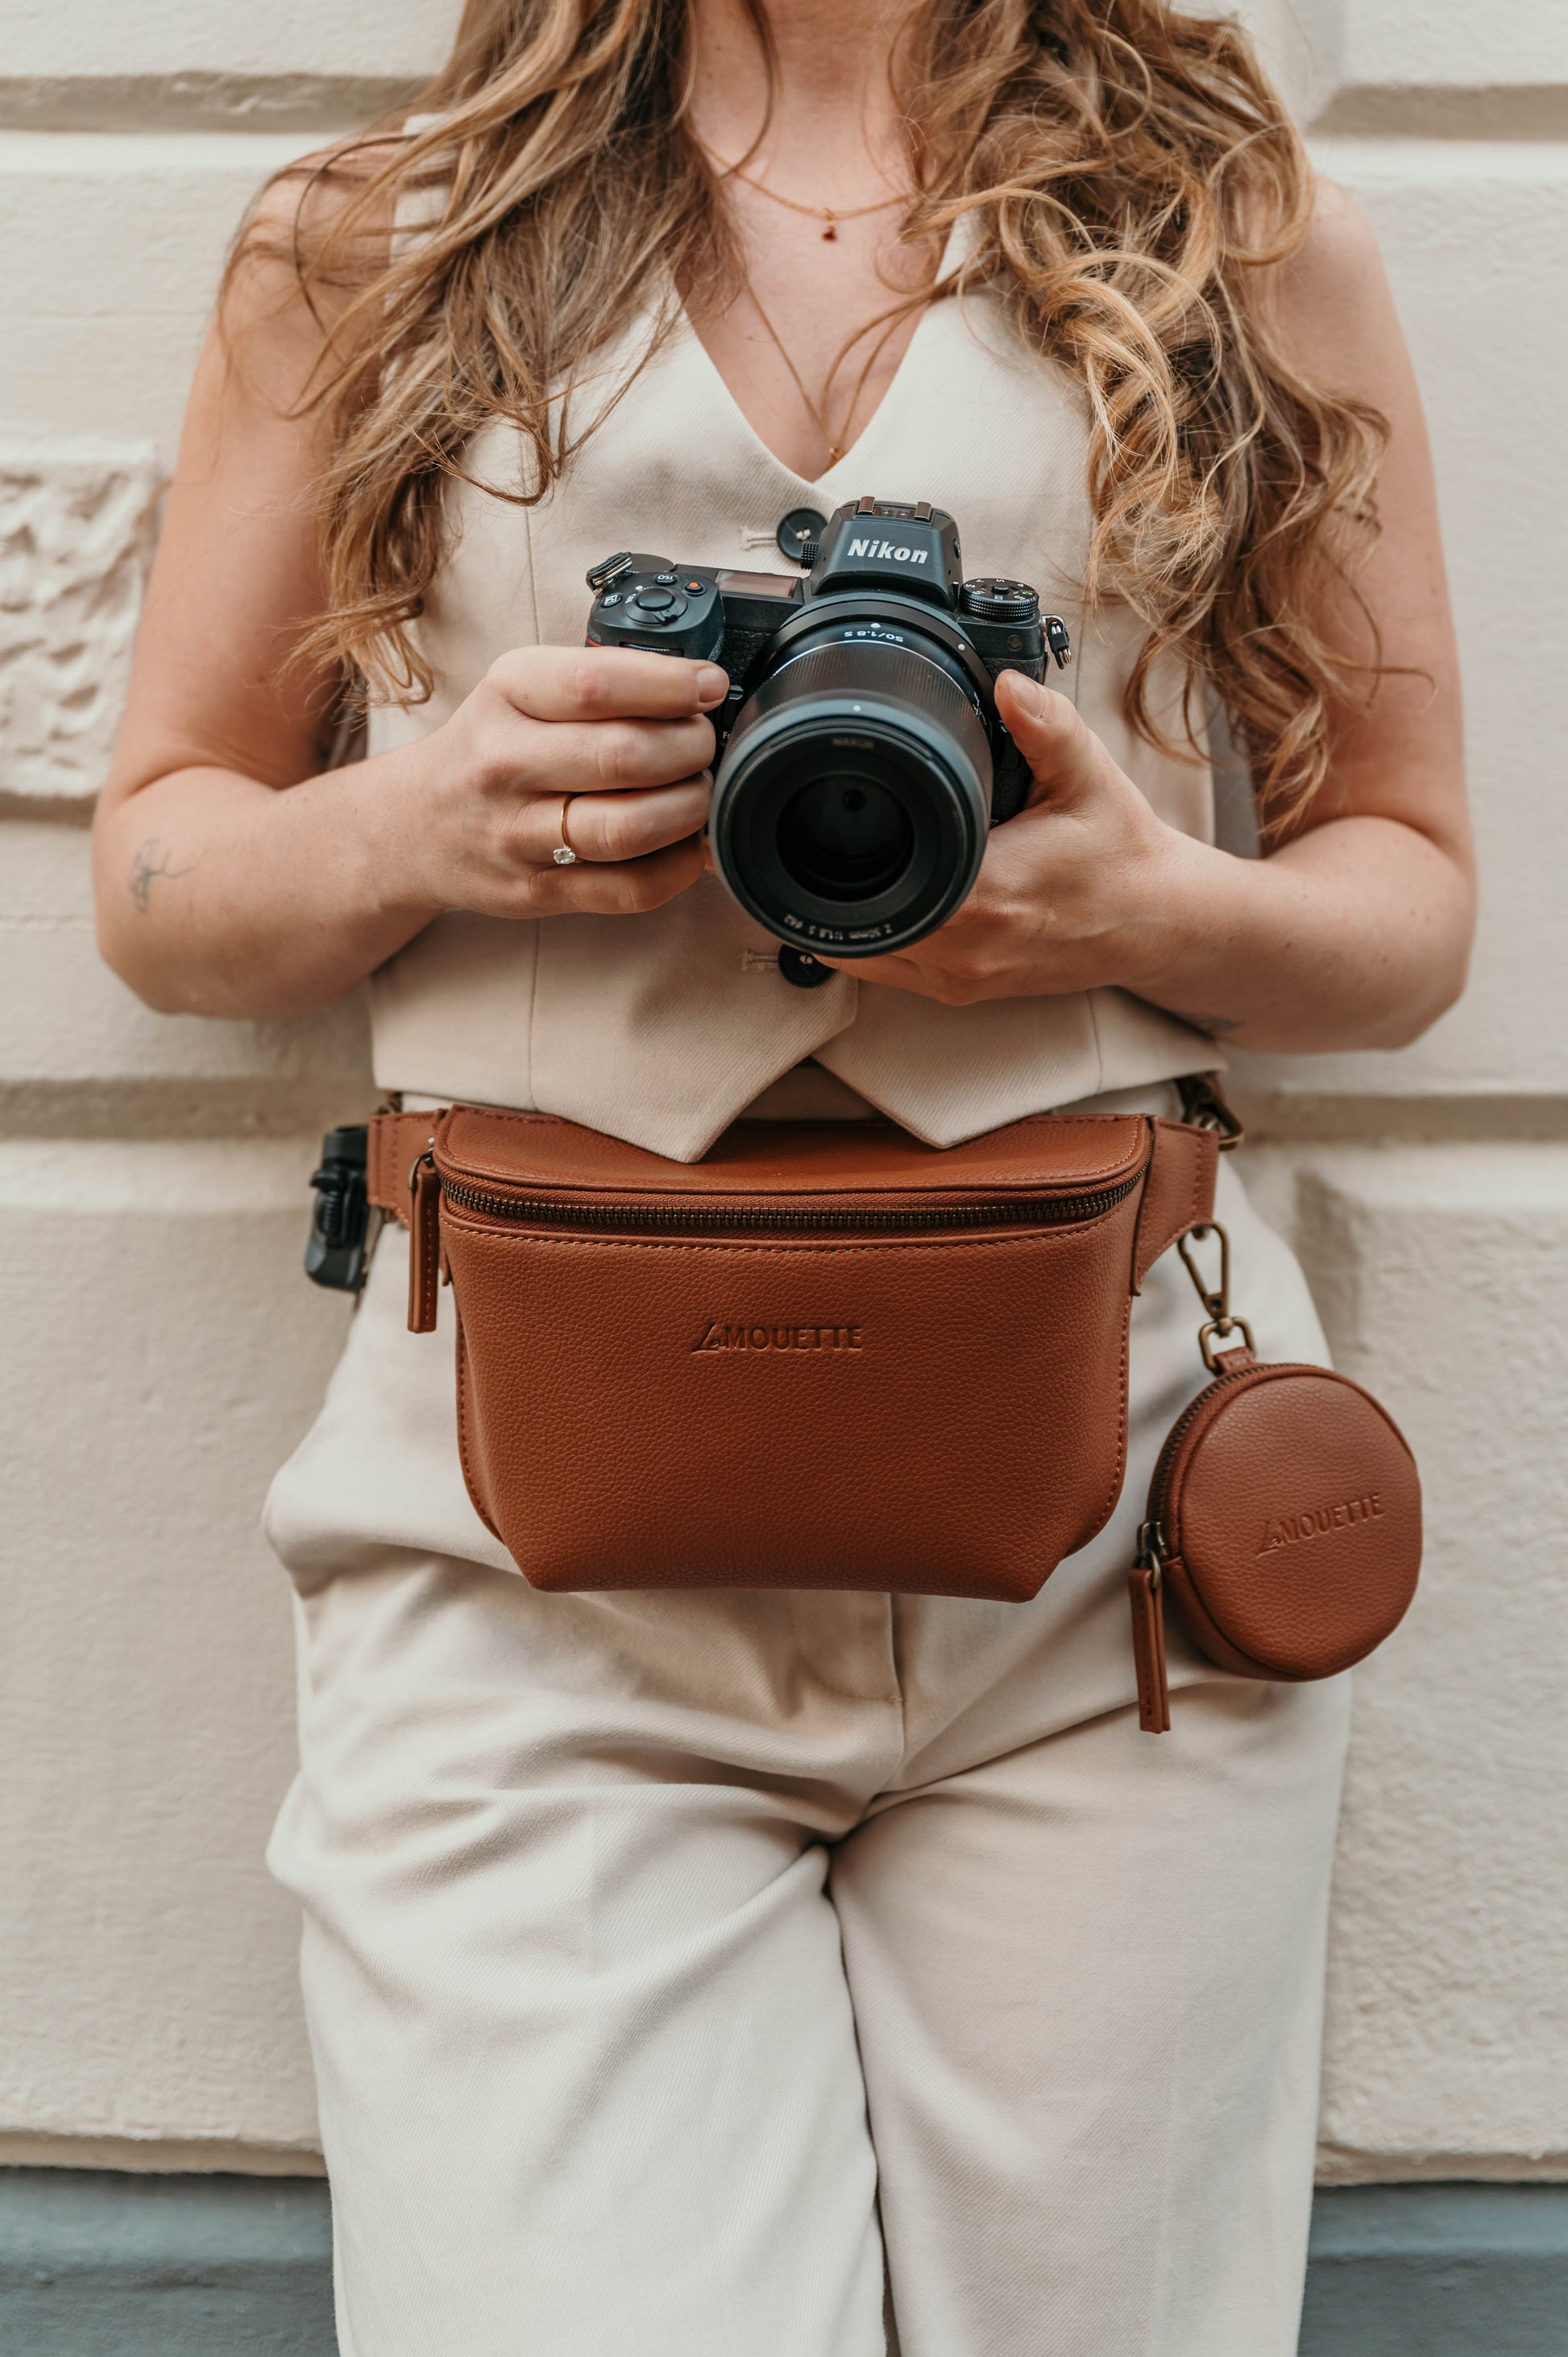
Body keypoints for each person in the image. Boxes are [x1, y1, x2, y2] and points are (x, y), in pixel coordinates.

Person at [93, 1, 1474, 2350]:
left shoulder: (1235, 235)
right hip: (522, 1560)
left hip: (1106, 1553)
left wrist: (1135, 904)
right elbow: (163, 882)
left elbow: (1406, 898)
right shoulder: (373, 246)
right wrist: (424, 818)